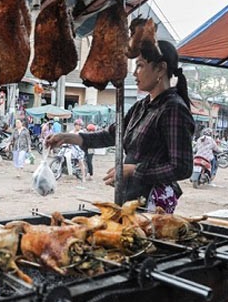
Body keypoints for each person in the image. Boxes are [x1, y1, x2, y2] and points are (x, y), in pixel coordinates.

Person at [46, 40, 195, 213]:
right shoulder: (141, 106)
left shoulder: (173, 108)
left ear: (160, 69)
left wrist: (134, 170)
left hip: (154, 205)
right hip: (131, 197)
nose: (134, 73)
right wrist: (66, 137)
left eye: (140, 66)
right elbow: (111, 135)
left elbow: (182, 167)